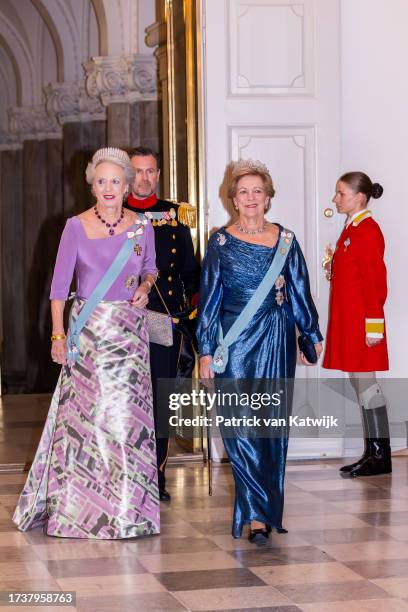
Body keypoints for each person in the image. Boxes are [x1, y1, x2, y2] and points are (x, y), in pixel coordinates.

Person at [13, 147, 160, 539]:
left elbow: (150, 268)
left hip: (129, 334)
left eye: (116, 181)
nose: (109, 188)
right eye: (101, 181)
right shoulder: (75, 227)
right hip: (89, 333)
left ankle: (130, 511)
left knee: (128, 422)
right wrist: (58, 335)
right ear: (91, 185)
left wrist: (146, 286)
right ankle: (81, 509)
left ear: (128, 185)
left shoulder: (142, 226)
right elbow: (59, 289)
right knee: (88, 421)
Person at [197, 159, 323, 545]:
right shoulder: (220, 243)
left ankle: (262, 514)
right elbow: (209, 301)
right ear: (233, 199)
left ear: (267, 197)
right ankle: (254, 512)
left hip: (276, 337)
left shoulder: (285, 240)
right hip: (234, 343)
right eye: (243, 192)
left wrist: (310, 334)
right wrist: (205, 349)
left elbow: (300, 289)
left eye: (257, 191)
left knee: (270, 426)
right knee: (239, 426)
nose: (250, 198)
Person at [124, 147, 200, 502]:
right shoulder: (113, 213)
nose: (144, 178)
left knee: (160, 398)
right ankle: (124, 473)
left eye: (150, 171)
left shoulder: (174, 215)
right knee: (124, 399)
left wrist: (194, 317)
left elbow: (190, 272)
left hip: (161, 319)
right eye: (137, 171)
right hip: (123, 317)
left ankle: (156, 475)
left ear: (158, 174)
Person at [323, 171, 391, 477]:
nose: (336, 199)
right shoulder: (353, 228)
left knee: (367, 385)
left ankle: (380, 455)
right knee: (360, 383)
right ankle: (374, 452)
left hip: (364, 324)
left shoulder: (367, 230)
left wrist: (374, 326)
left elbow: (377, 282)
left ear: (359, 197)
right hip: (351, 322)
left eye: (341, 194)